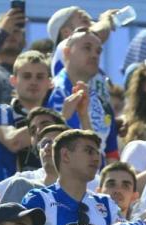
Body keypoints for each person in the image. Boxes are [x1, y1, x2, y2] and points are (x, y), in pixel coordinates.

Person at [46, 28, 118, 159]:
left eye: (98, 51)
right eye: (87, 48)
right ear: (67, 53)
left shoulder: (104, 104)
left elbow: (111, 154)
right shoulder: (47, 91)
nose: (94, 55)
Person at [0, 50, 52, 183]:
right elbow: (13, 142)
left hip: (44, 196)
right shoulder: (0, 111)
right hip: (7, 194)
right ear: (13, 80)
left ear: (50, 83)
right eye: (26, 76)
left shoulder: (55, 119)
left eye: (40, 77)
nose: (33, 82)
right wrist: (56, 120)